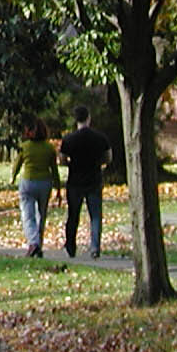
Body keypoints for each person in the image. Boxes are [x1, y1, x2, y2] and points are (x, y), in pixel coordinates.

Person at [60, 104, 110, 258]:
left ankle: (70, 245)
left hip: (75, 181)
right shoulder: (100, 138)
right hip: (94, 179)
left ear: (76, 120)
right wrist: (99, 164)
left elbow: (61, 159)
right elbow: (108, 157)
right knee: (95, 215)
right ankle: (94, 247)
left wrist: (70, 164)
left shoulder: (69, 139)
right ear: (89, 118)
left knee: (73, 215)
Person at [10, 119, 59, 257]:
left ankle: (33, 242)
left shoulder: (24, 147)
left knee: (28, 214)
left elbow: (17, 164)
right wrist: (58, 187)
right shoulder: (49, 148)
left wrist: (13, 177)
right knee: (41, 215)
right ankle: (38, 245)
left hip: (28, 182)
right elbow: (54, 169)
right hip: (45, 183)